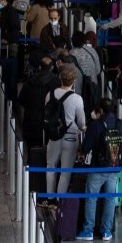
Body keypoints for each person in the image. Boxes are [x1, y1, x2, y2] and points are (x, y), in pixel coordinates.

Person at [76, 98, 122, 242]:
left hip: (97, 168)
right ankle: (106, 231)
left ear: (101, 111)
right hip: (114, 167)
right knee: (110, 199)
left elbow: (86, 147)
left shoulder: (96, 125)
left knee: (91, 198)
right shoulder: (120, 123)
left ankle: (88, 230)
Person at [45, 65, 87, 196]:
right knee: (65, 172)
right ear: (74, 81)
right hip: (70, 137)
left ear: (60, 79)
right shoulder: (77, 98)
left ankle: (50, 197)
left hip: (53, 136)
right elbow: (82, 123)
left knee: (50, 168)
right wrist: (83, 128)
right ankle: (60, 200)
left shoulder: (50, 94)